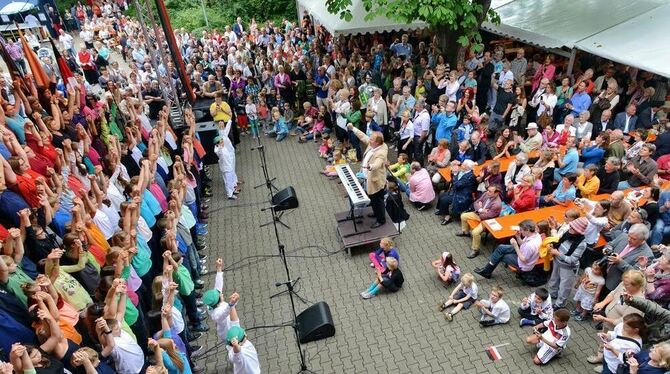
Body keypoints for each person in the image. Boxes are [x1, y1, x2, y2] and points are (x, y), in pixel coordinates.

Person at [349, 125, 388, 228]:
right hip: (368, 177)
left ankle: (381, 220)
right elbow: (363, 137)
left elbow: (378, 164)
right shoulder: (373, 144)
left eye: (371, 139)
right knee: (374, 200)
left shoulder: (381, 152)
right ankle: (376, 213)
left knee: (377, 201)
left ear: (377, 142)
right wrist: (353, 128)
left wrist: (370, 166)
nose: (369, 140)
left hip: (375, 181)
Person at [474, 219, 541, 279]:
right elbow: (522, 244)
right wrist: (518, 237)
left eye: (521, 230)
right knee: (501, 247)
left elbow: (524, 260)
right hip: (522, 251)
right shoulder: (534, 234)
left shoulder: (530, 245)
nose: (520, 231)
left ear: (528, 230)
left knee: (501, 256)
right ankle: (487, 270)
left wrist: (515, 246)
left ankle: (487, 271)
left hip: (524, 264)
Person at [546, 217, 588, 308]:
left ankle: (559, 304)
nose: (570, 228)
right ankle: (551, 294)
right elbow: (558, 240)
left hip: (568, 267)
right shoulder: (568, 233)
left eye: (573, 228)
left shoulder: (581, 244)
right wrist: (553, 245)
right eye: (571, 226)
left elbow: (572, 260)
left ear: (578, 231)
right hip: (557, 261)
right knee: (554, 279)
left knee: (564, 287)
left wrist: (557, 253)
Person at [601, 225, 654, 294]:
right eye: (629, 236)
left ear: (642, 240)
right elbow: (610, 244)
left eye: (634, 239)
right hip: (601, 272)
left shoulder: (647, 255)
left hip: (614, 282)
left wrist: (619, 262)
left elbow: (635, 275)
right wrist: (608, 249)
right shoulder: (623, 236)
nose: (629, 239)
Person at [457, 185, 503, 259]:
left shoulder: (497, 204)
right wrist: (481, 210)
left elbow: (488, 216)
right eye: (488, 190)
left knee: (475, 232)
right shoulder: (486, 194)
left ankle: (475, 250)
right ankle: (465, 232)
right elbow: (476, 202)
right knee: (463, 216)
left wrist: (480, 210)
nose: (487, 192)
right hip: (479, 213)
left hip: (487, 221)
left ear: (496, 193)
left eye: (490, 191)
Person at [435, 160, 477, 224]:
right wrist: (453, 172)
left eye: (462, 164)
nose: (461, 165)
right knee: (441, 194)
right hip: (456, 190)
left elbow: (458, 185)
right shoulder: (463, 171)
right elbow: (453, 180)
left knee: (444, 199)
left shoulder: (470, 176)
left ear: (467, 167)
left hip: (462, 195)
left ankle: (447, 217)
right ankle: (442, 210)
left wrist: (455, 174)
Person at [214, 122, 239, 200]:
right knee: (228, 181)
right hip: (225, 167)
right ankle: (230, 194)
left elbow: (224, 133)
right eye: (221, 141)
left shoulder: (223, 146)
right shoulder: (218, 149)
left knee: (231, 179)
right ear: (217, 143)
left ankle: (232, 190)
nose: (222, 142)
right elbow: (219, 151)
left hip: (229, 165)